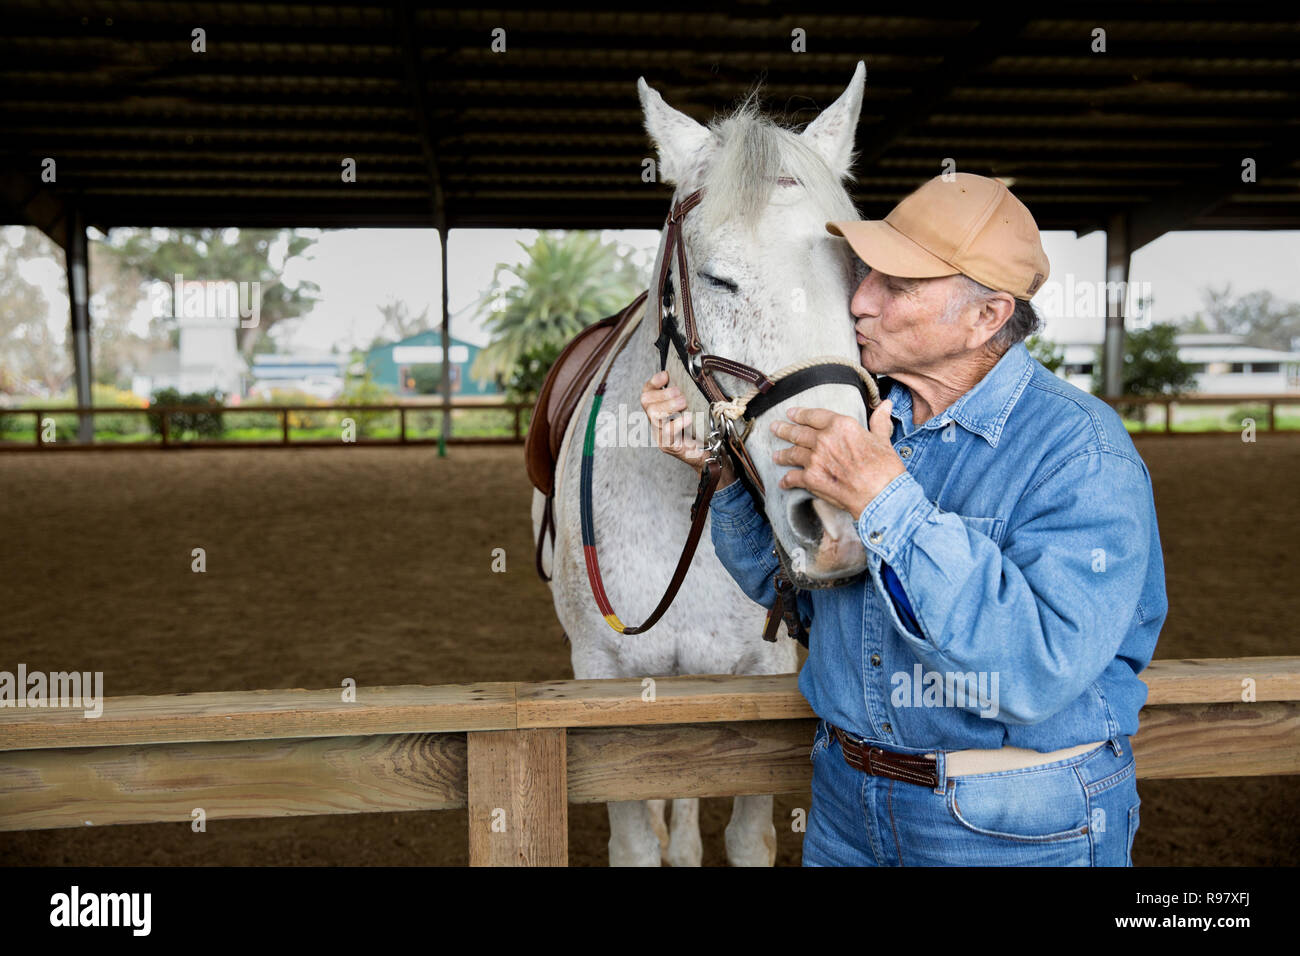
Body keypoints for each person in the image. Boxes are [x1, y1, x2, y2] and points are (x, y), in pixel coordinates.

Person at [640, 172, 1167, 866]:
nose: (859, 301)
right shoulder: (864, 416)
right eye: (863, 276)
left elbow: (1038, 667)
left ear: (988, 315)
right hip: (845, 808)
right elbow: (796, 597)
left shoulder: (1081, 450)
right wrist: (719, 468)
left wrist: (887, 502)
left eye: (898, 286)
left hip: (1012, 829)